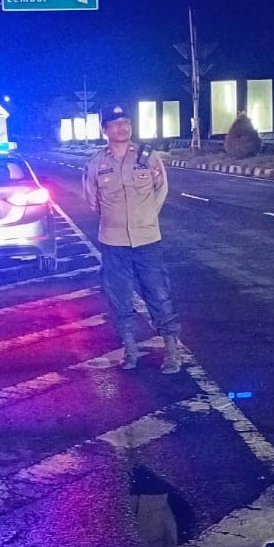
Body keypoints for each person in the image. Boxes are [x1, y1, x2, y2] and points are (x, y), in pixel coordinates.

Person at [82, 104, 183, 374]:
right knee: (119, 297)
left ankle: (172, 350)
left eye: (125, 122)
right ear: (104, 130)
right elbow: (92, 200)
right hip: (113, 242)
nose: (122, 127)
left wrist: (146, 217)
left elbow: (161, 189)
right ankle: (129, 348)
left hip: (147, 239)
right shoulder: (96, 163)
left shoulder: (147, 156)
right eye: (115, 124)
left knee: (158, 293)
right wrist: (115, 219)